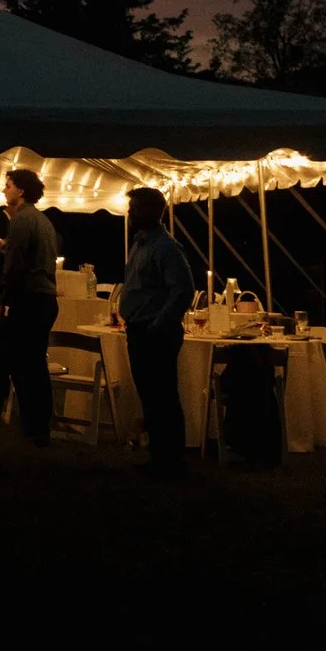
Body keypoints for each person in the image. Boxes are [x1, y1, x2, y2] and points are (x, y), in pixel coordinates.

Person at [118, 187, 193, 477]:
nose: (130, 213)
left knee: (163, 396)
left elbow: (182, 289)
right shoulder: (139, 244)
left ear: (151, 211)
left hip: (155, 332)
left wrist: (158, 323)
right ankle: (158, 457)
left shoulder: (165, 247)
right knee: (150, 395)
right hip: (139, 329)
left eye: (135, 207)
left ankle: (171, 461)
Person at [0, 168, 62, 446]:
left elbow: (15, 267)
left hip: (30, 300)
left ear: (21, 190)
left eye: (7, 186)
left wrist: (2, 303)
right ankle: (39, 425)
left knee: (22, 363)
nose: (3, 190)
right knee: (34, 363)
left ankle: (29, 424)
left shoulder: (20, 220)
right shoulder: (43, 221)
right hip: (46, 300)